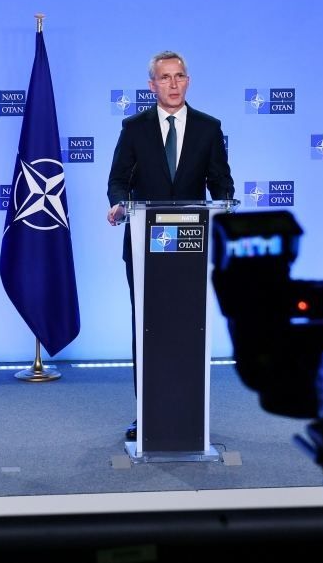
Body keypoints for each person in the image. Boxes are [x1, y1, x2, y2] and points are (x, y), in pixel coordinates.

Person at [106, 50, 234, 441]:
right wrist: (118, 204)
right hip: (146, 248)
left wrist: (225, 205)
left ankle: (187, 411)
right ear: (152, 85)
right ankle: (146, 414)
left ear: (188, 81)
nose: (174, 84)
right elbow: (118, 181)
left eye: (180, 76)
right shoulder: (134, 128)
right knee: (146, 329)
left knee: (186, 328)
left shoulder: (208, 129)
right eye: (165, 78)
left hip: (190, 251)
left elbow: (221, 183)